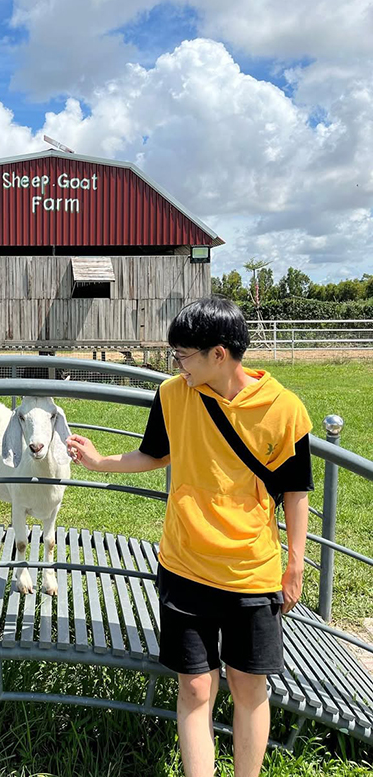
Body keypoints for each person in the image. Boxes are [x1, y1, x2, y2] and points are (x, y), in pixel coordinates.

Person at [66, 296, 312, 777]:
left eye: (183, 355)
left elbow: (296, 491)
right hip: (184, 565)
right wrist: (100, 462)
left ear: (218, 354)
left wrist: (296, 563)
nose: (176, 365)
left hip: (251, 572)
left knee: (248, 687)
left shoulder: (284, 410)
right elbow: (155, 453)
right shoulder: (174, 394)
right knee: (195, 688)